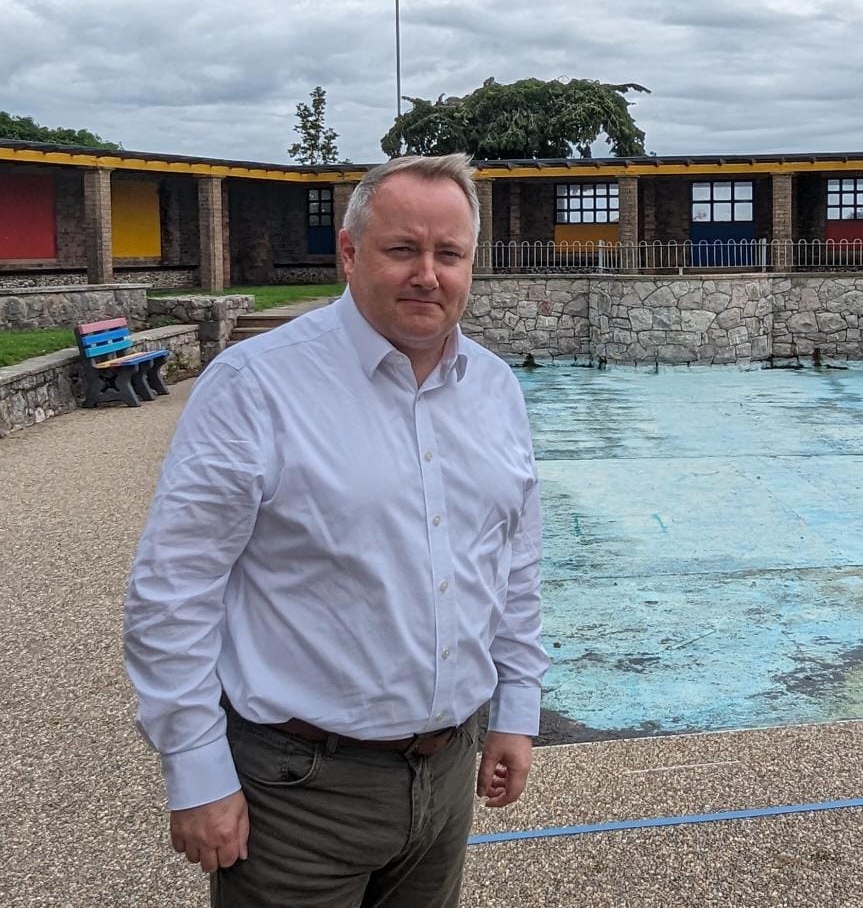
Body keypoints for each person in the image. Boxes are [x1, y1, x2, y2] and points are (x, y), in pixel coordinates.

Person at [124, 153, 549, 907]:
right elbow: (174, 588)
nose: (428, 273)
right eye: (402, 249)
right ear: (349, 253)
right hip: (297, 792)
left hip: (447, 777)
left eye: (449, 254)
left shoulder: (495, 388)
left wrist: (515, 709)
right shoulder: (257, 385)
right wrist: (195, 771)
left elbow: (512, 562)